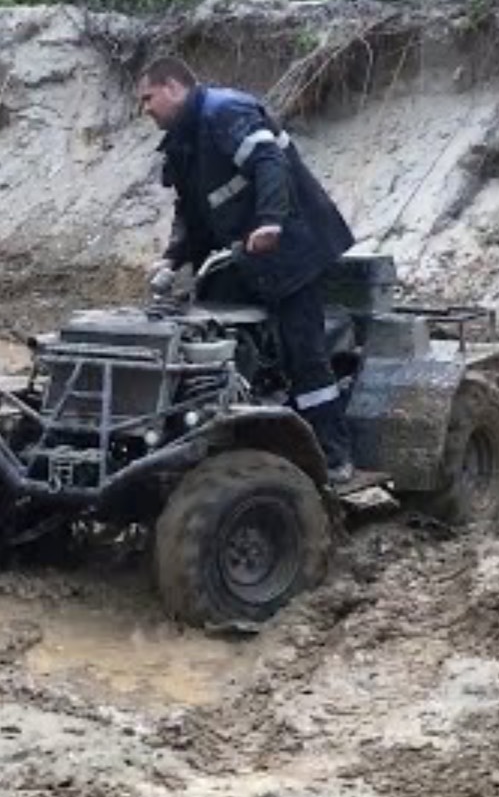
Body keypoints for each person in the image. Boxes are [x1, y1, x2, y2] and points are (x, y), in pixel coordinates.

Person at [137, 56, 356, 483]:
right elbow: (193, 212)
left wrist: (270, 220)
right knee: (218, 342)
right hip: (245, 258)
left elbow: (269, 163)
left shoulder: (226, 111)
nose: (145, 109)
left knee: (304, 354)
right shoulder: (183, 142)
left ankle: (334, 456)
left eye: (148, 98)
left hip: (293, 248)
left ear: (173, 88)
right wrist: (173, 257)